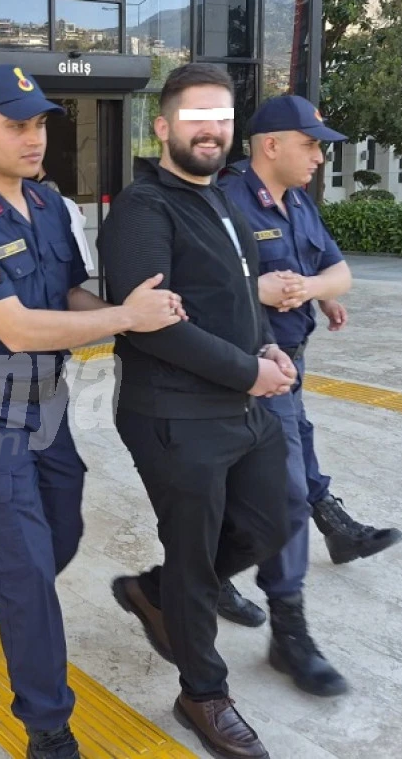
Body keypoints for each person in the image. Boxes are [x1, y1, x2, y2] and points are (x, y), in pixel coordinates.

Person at [0, 64, 186, 759]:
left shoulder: (46, 208)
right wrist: (126, 315)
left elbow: (67, 297)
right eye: (17, 124)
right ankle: (49, 728)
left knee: (60, 533)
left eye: (39, 123)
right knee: (30, 571)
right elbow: (15, 327)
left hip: (45, 396)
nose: (34, 138)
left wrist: (140, 322)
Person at [99, 63, 293, 759]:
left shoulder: (221, 201)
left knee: (276, 518)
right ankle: (202, 694)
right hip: (176, 413)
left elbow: (239, 299)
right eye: (194, 118)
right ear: (162, 127)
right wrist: (251, 371)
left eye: (222, 117)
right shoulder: (144, 210)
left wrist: (268, 349)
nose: (211, 130)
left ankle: (157, 593)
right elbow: (153, 323)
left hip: (242, 401)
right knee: (193, 550)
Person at [214, 94, 402, 689]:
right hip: (243, 371)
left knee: (276, 490)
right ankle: (284, 625)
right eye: (311, 144)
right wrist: (256, 289)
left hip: (290, 367)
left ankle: (205, 587)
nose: (321, 156)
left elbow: (340, 270)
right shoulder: (224, 201)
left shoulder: (298, 204)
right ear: (271, 145)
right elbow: (198, 290)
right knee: (282, 495)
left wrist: (314, 288)